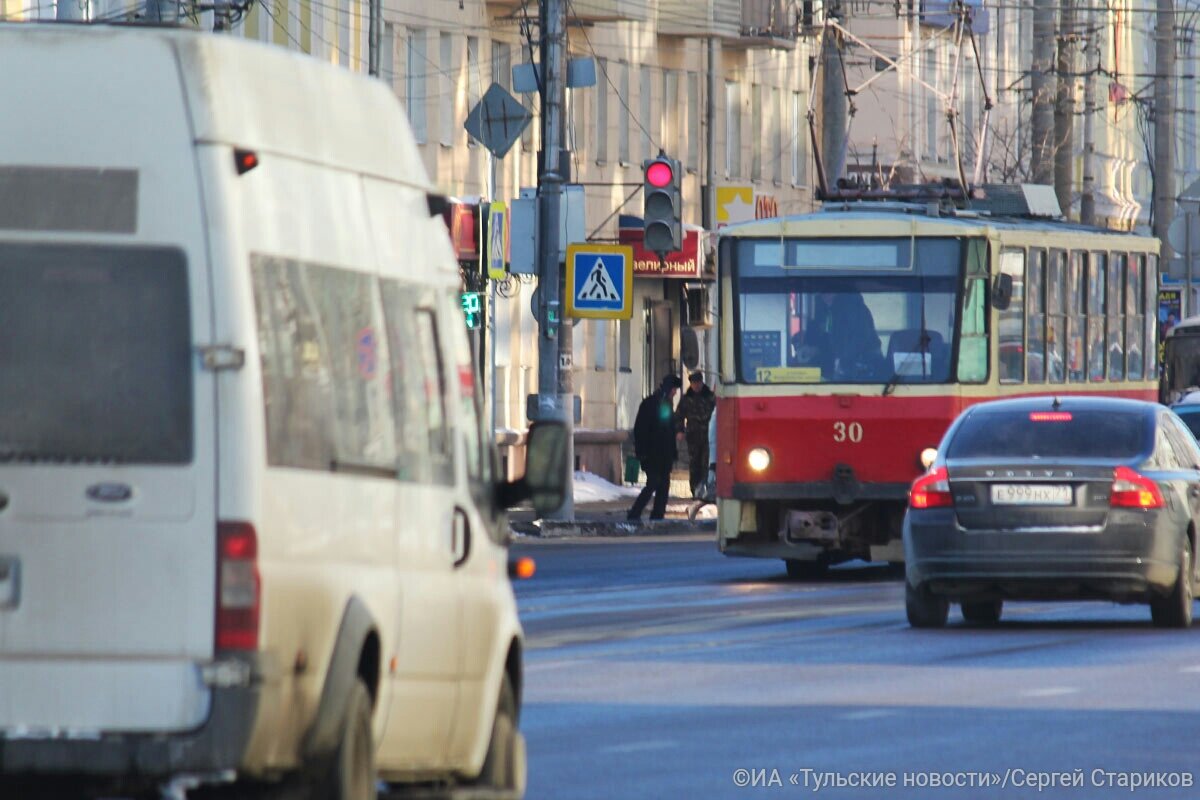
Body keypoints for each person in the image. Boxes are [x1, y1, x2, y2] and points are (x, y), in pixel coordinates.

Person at [628, 374, 683, 521]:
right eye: (674, 389)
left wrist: (673, 452)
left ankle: (658, 515)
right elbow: (641, 430)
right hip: (652, 455)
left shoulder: (666, 404)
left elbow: (669, 431)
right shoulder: (650, 404)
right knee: (653, 483)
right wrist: (642, 452)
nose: (675, 393)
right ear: (668, 389)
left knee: (663, 486)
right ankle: (634, 513)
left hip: (664, 455)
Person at [792, 292, 885, 378]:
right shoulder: (824, 309)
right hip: (839, 368)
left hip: (865, 370)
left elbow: (859, 340)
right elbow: (827, 339)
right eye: (822, 293)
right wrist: (813, 350)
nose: (825, 295)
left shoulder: (853, 308)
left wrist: (843, 361)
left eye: (828, 292)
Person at [676, 370, 716, 497]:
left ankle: (705, 489)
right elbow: (679, 416)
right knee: (694, 464)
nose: (696, 386)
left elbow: (717, 414)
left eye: (698, 383)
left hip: (708, 436)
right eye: (694, 383)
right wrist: (680, 430)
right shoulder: (687, 398)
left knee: (706, 463)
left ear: (701, 382)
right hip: (693, 436)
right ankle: (694, 490)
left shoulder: (710, 397)